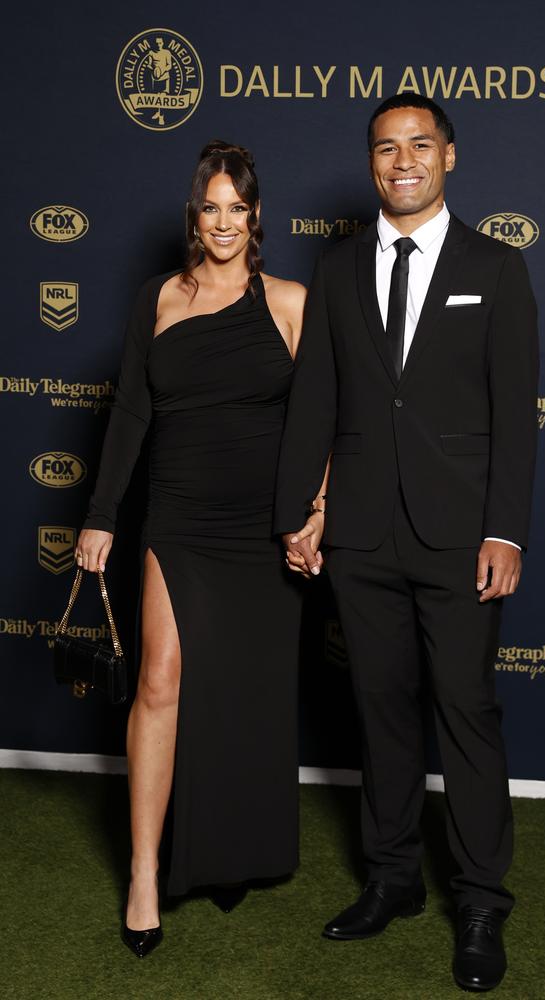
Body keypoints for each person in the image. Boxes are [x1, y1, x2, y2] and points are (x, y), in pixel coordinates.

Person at [274, 94, 538, 993]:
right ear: (373, 164)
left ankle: (479, 901)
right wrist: (301, 513)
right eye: (386, 149)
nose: (403, 161)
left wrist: (505, 528)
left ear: (450, 157)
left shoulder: (497, 267)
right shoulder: (338, 265)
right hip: (361, 538)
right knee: (379, 713)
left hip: (462, 538)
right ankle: (391, 881)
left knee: (465, 712)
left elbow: (516, 415)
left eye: (420, 145)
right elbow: (317, 401)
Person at [76, 140, 309, 958]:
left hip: (260, 525)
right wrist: (102, 514)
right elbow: (131, 413)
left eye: (236, 208)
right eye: (209, 207)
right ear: (194, 214)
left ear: (255, 217)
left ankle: (231, 851)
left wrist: (315, 510)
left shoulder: (289, 302)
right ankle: (145, 871)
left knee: (244, 692)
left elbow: (324, 422)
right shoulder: (159, 299)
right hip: (178, 515)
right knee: (160, 681)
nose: (222, 222)